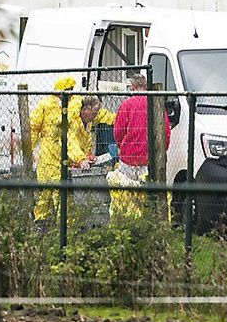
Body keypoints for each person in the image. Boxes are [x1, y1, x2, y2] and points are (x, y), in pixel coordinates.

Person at [29, 77, 114, 224]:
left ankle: (57, 229)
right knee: (51, 196)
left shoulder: (75, 106)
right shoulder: (50, 105)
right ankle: (50, 227)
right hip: (51, 156)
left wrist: (121, 119)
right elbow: (68, 140)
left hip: (59, 157)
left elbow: (99, 116)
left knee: (58, 197)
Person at [109, 74, 170, 219]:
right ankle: (149, 221)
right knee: (150, 194)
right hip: (151, 158)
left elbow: (118, 131)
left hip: (129, 157)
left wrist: (122, 146)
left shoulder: (127, 105)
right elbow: (166, 132)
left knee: (128, 194)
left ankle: (129, 221)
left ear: (133, 87)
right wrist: (162, 151)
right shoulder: (157, 104)